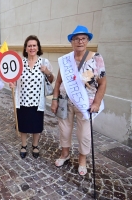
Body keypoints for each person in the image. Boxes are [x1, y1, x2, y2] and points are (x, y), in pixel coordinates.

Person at [51, 25, 106, 176]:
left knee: (84, 134)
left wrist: (96, 103)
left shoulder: (96, 58)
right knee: (65, 130)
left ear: (87, 40)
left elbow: (102, 83)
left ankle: (82, 160)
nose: (80, 41)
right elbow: (58, 82)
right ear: (72, 41)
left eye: (83, 38)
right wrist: (55, 99)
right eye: (76, 39)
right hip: (65, 101)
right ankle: (65, 154)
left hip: (85, 104)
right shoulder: (66, 60)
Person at [9, 35, 54, 159]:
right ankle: (23, 145)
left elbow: (51, 79)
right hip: (23, 99)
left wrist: (47, 72)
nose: (32, 48)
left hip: (37, 100)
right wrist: (12, 84)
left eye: (34, 45)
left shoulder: (44, 62)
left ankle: (35, 146)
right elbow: (14, 80)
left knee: (36, 125)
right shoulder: (20, 63)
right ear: (26, 48)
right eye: (29, 46)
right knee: (23, 124)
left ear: (38, 47)